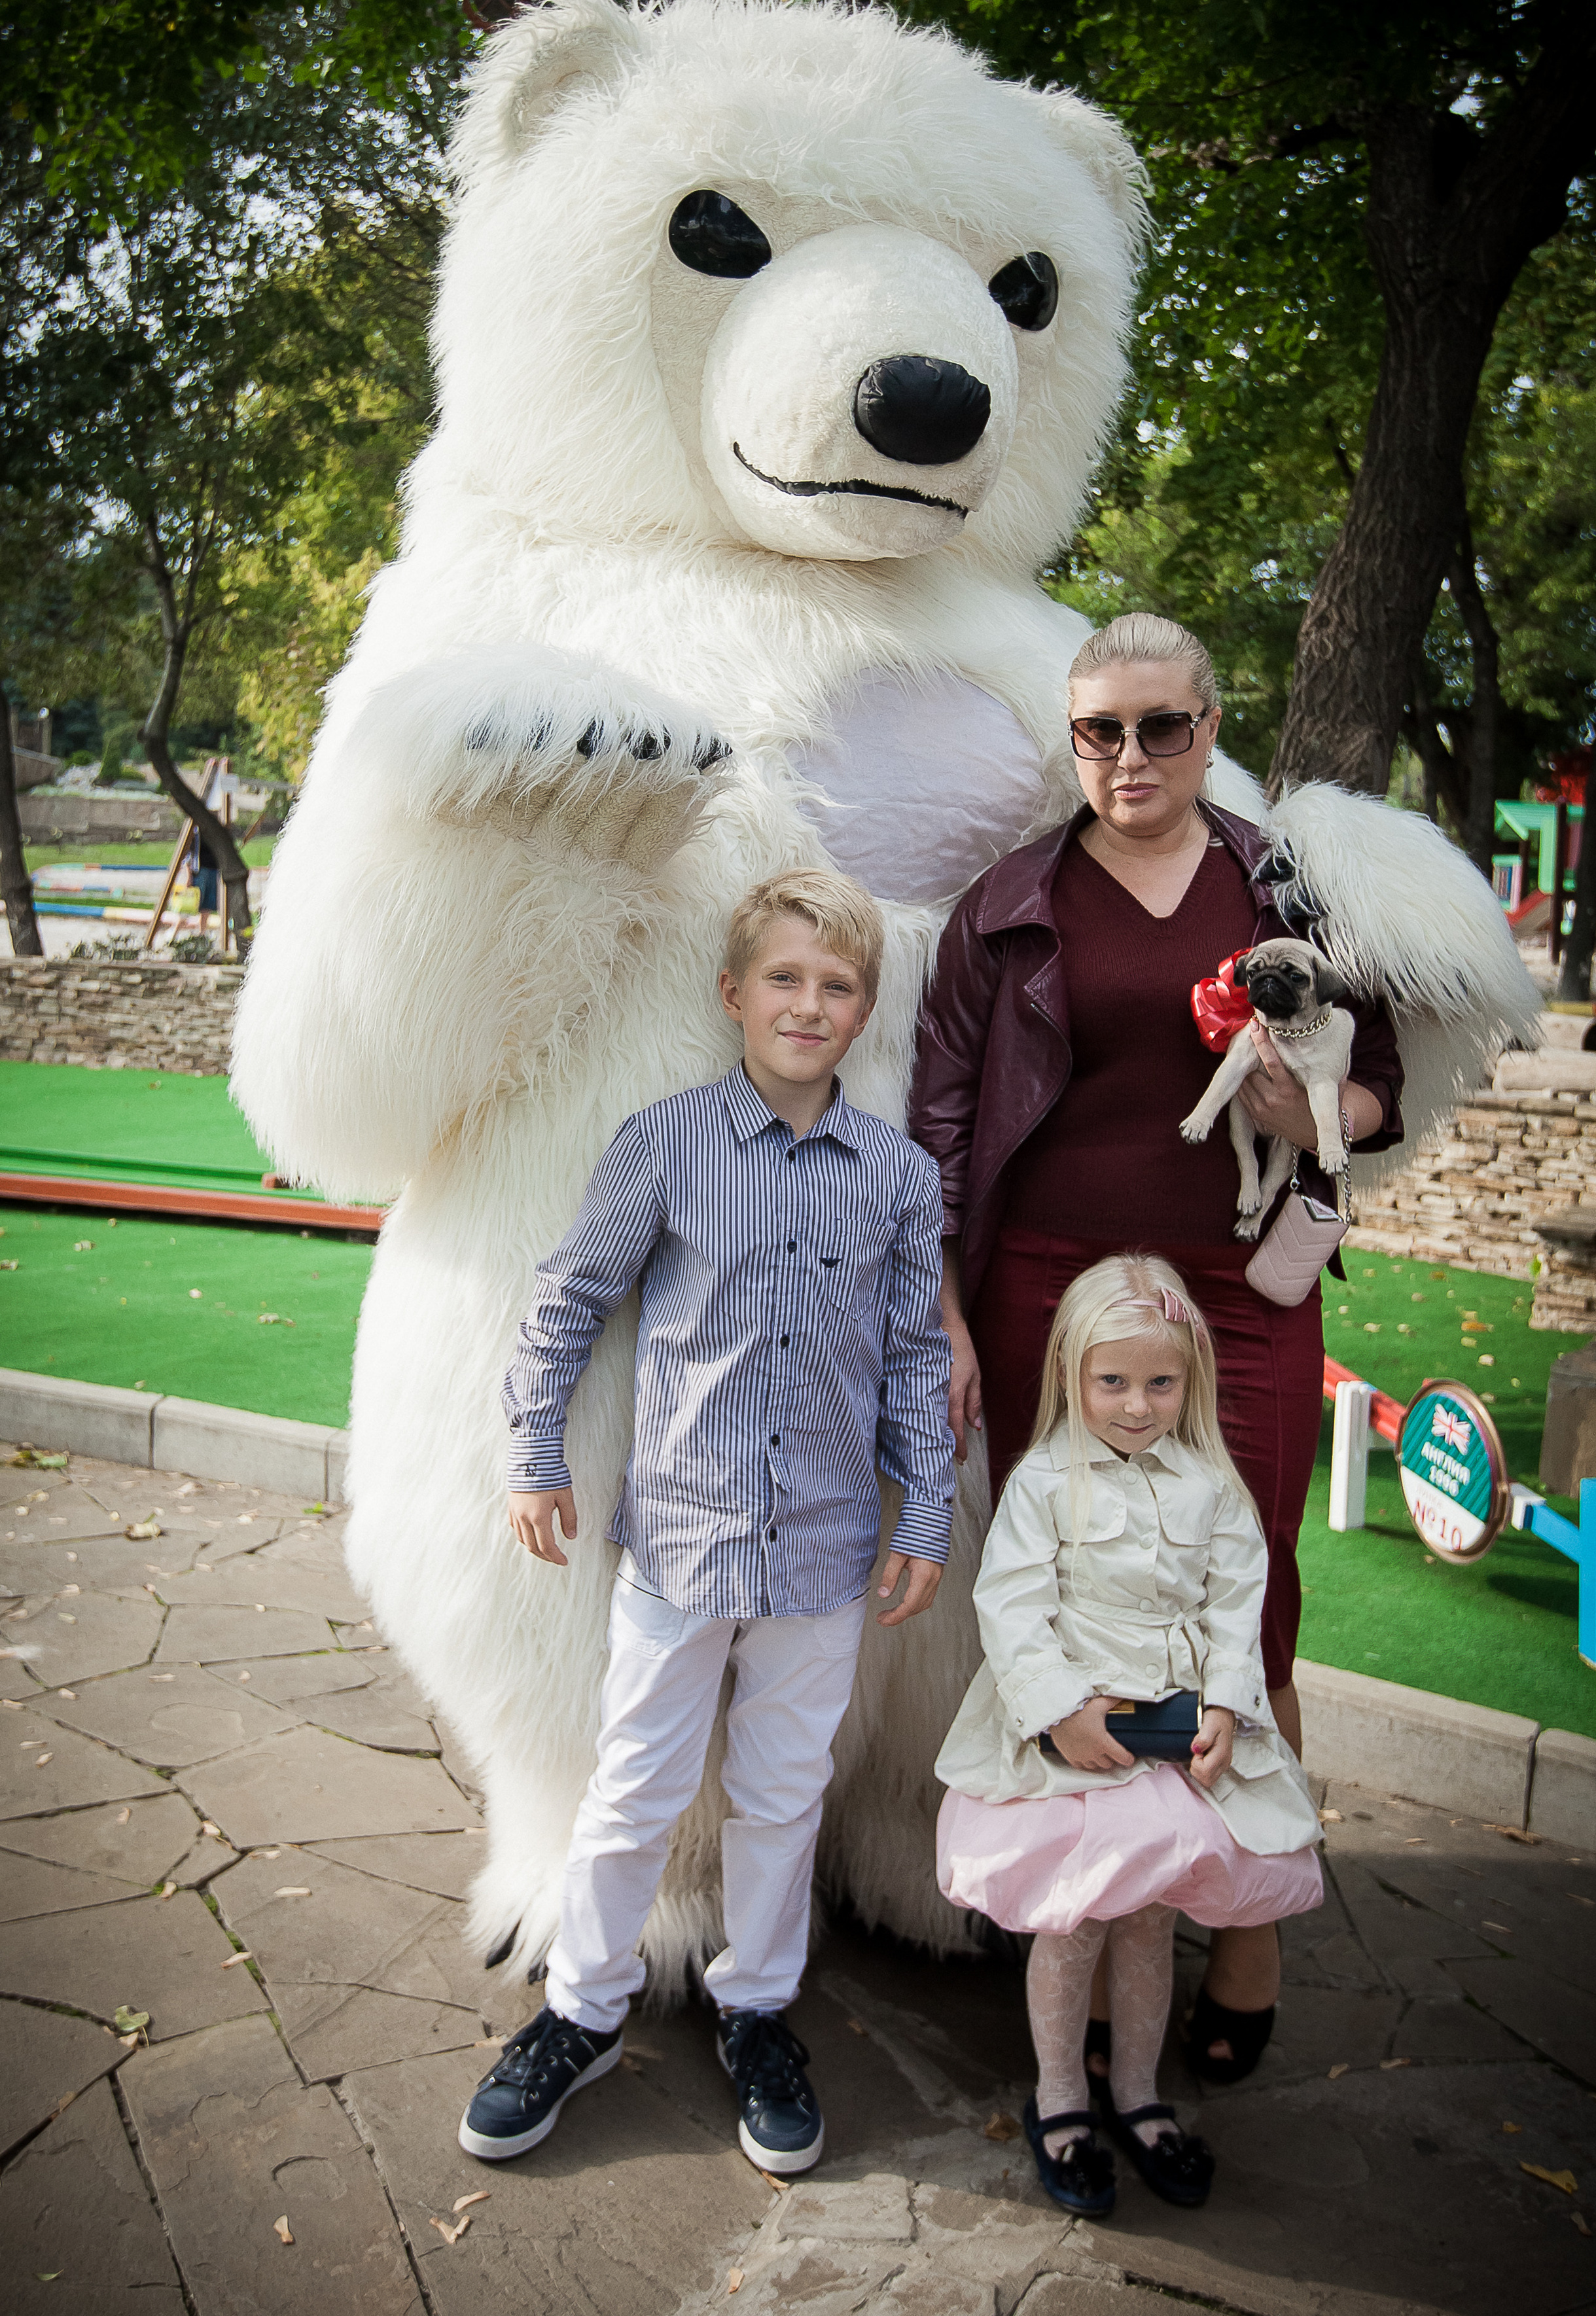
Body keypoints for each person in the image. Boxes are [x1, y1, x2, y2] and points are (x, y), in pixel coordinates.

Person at [909, 611, 1402, 2088]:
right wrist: (944, 1305)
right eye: (1099, 732)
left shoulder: (1290, 886)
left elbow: (1375, 1078)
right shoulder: (1008, 902)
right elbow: (942, 1116)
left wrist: (1313, 1114)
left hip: (1241, 1287)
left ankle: (1245, 1923)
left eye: (1162, 727)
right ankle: (1081, 1880)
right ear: (1072, 741)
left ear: (1209, 725)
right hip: (1046, 1289)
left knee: (1254, 1584)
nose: (1130, 757)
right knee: (1065, 1582)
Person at [459, 868, 955, 2174]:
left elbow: (916, 1359)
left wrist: (925, 1517)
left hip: (827, 1555)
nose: (808, 1004)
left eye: (836, 985)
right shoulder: (665, 1143)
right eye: (784, 977)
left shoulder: (899, 1179)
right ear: (734, 993)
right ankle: (581, 2011)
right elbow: (569, 1300)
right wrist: (532, 1451)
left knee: (783, 1798)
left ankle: (757, 2010)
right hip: (680, 1542)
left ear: (863, 1011)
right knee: (634, 1788)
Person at [935, 1254, 1323, 2217]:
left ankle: (1141, 2096)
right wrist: (1061, 1711)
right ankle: (1062, 2100)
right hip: (1078, 1742)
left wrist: (1226, 1704)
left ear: (1192, 1379)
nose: (1138, 1405)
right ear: (1072, 1372)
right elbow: (1012, 1605)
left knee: (1150, 1924)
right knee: (1074, 1927)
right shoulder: (1042, 1484)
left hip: (1172, 1744)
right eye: (1112, 1381)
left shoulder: (1213, 1487)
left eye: (1160, 1383)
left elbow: (1236, 1608)